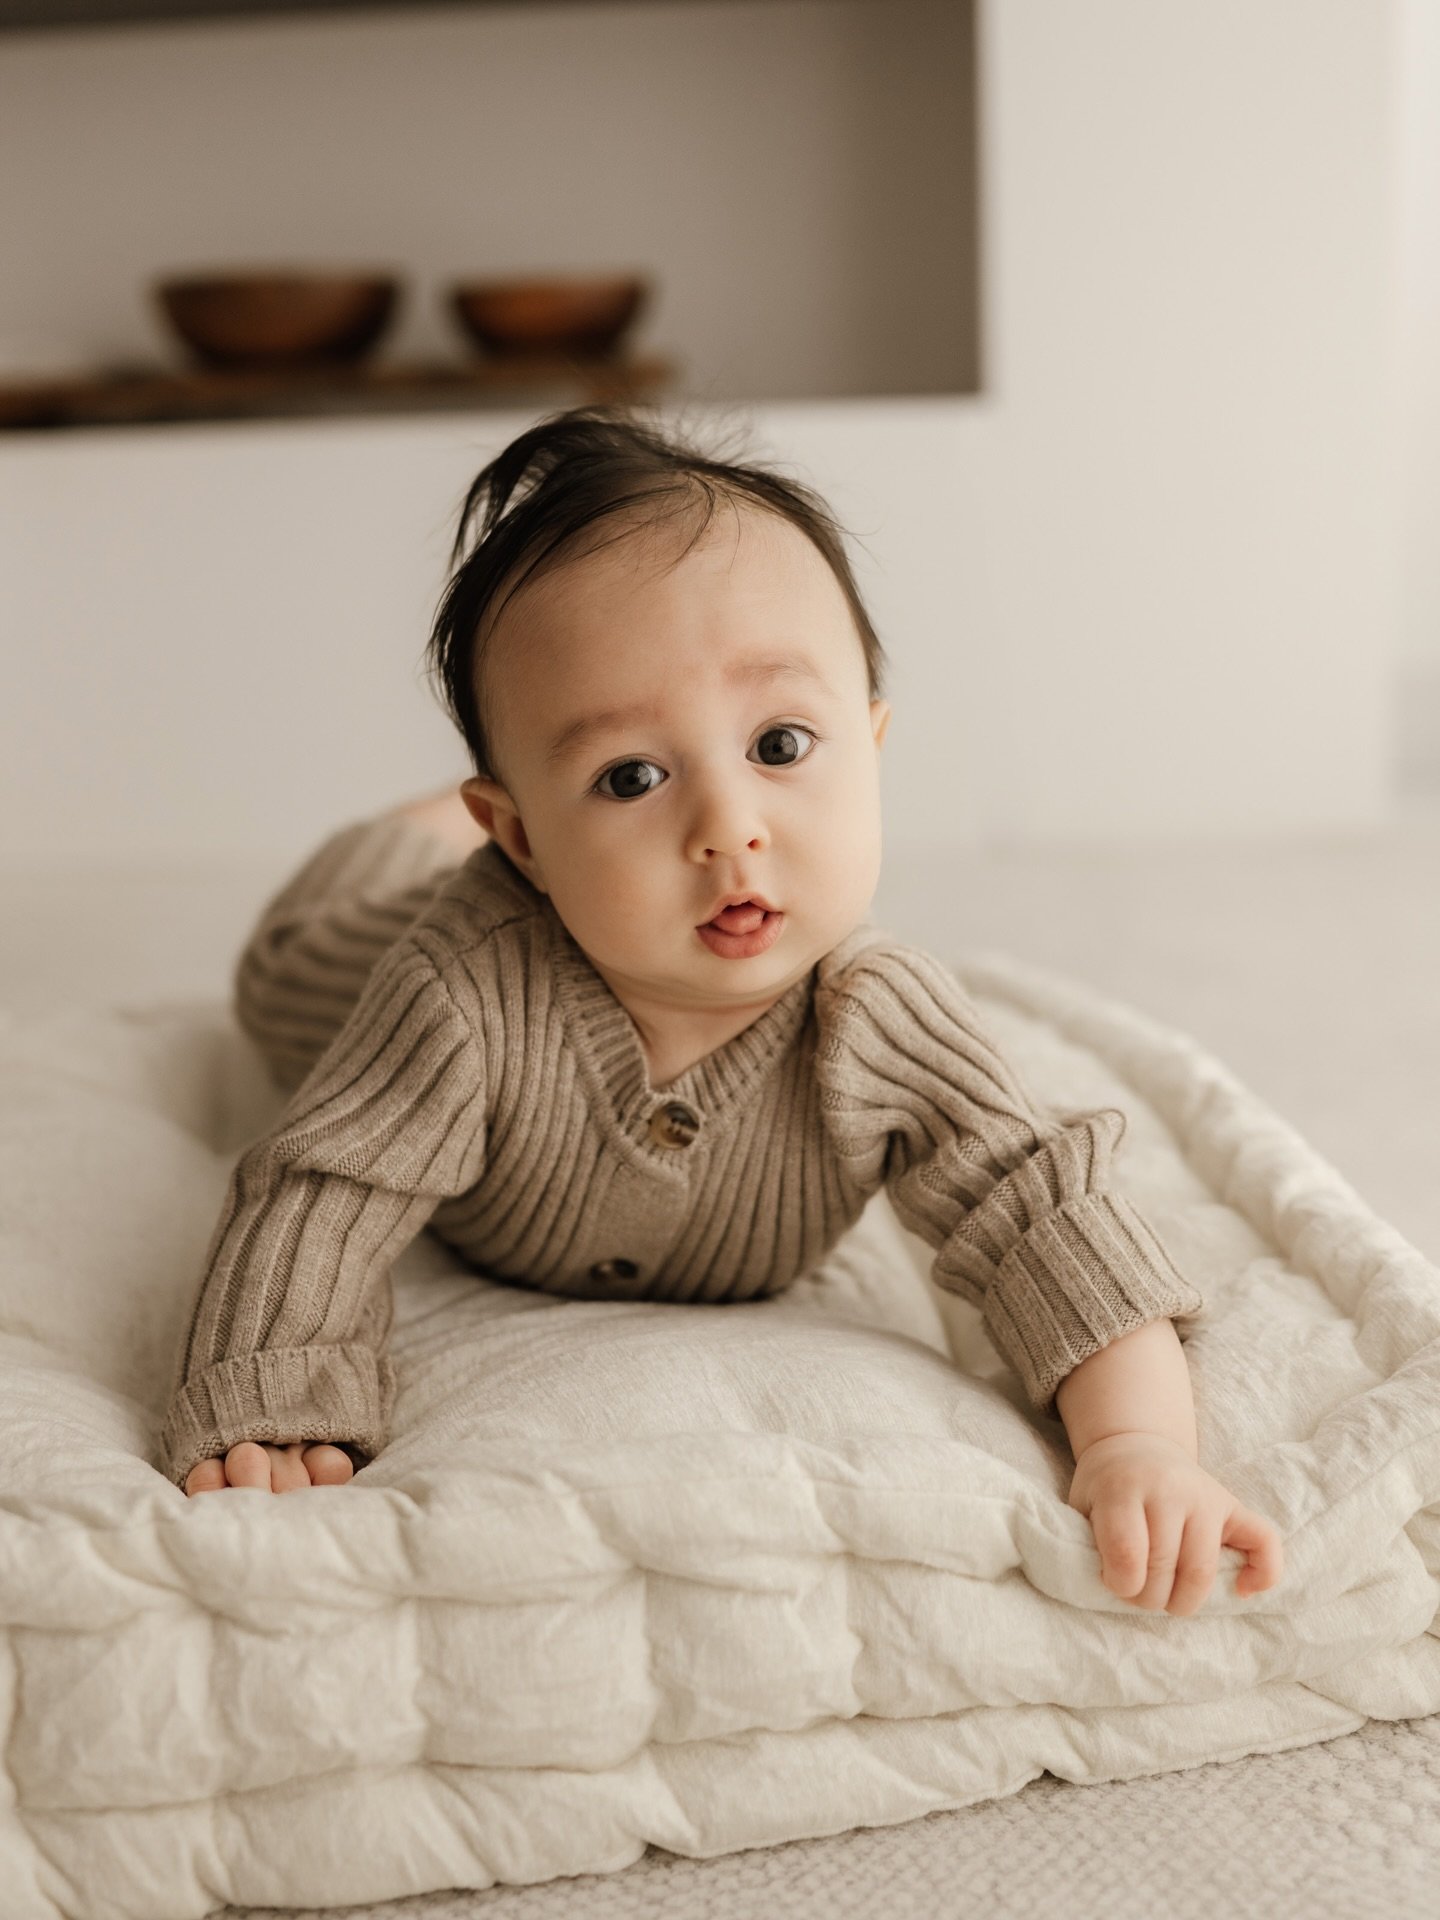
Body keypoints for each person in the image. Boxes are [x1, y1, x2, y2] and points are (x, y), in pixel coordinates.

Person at [162, 403, 1283, 1618]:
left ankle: (532, 790)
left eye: (783, 744)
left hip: (533, 865)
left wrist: (1138, 1446)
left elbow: (1043, 1211)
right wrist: (274, 1392)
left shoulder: (876, 1014)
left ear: (873, 741)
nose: (727, 827)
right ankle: (432, 825)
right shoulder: (459, 991)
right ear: (525, 840)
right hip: (369, 947)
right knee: (287, 962)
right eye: (632, 777)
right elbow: (325, 1186)